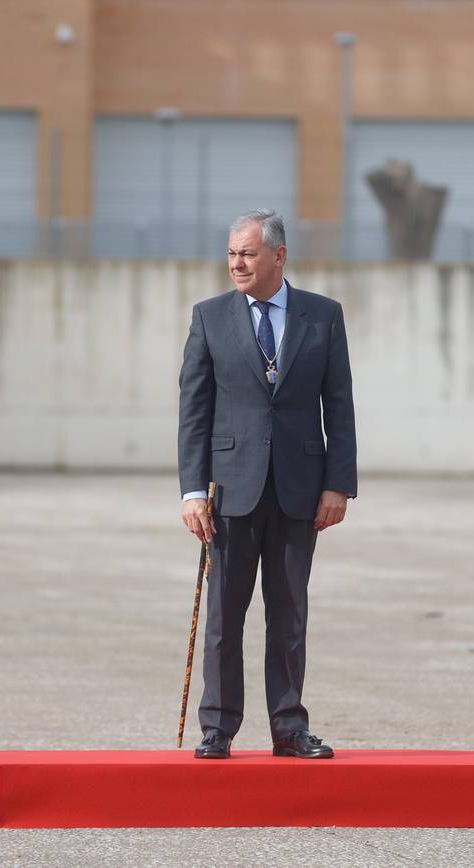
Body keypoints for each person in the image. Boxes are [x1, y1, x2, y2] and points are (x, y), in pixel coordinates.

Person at [177, 209, 356, 760]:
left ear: (279, 256)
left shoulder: (322, 317)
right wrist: (190, 490)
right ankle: (218, 728)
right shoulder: (210, 317)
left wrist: (338, 484)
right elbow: (194, 409)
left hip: (300, 489)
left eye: (247, 254)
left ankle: (289, 727)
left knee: (288, 616)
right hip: (230, 491)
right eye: (231, 253)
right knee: (225, 617)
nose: (236, 263)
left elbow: (340, 405)